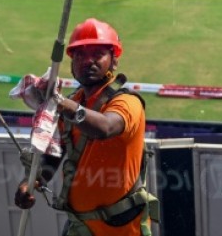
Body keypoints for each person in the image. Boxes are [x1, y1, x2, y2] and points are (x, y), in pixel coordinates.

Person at [14, 18, 157, 236]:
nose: (88, 61)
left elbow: (105, 128)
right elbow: (56, 154)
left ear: (114, 61)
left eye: (97, 54)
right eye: (80, 55)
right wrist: (31, 182)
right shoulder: (74, 102)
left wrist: (61, 103)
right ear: (71, 64)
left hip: (119, 228)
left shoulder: (128, 103)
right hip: (80, 227)